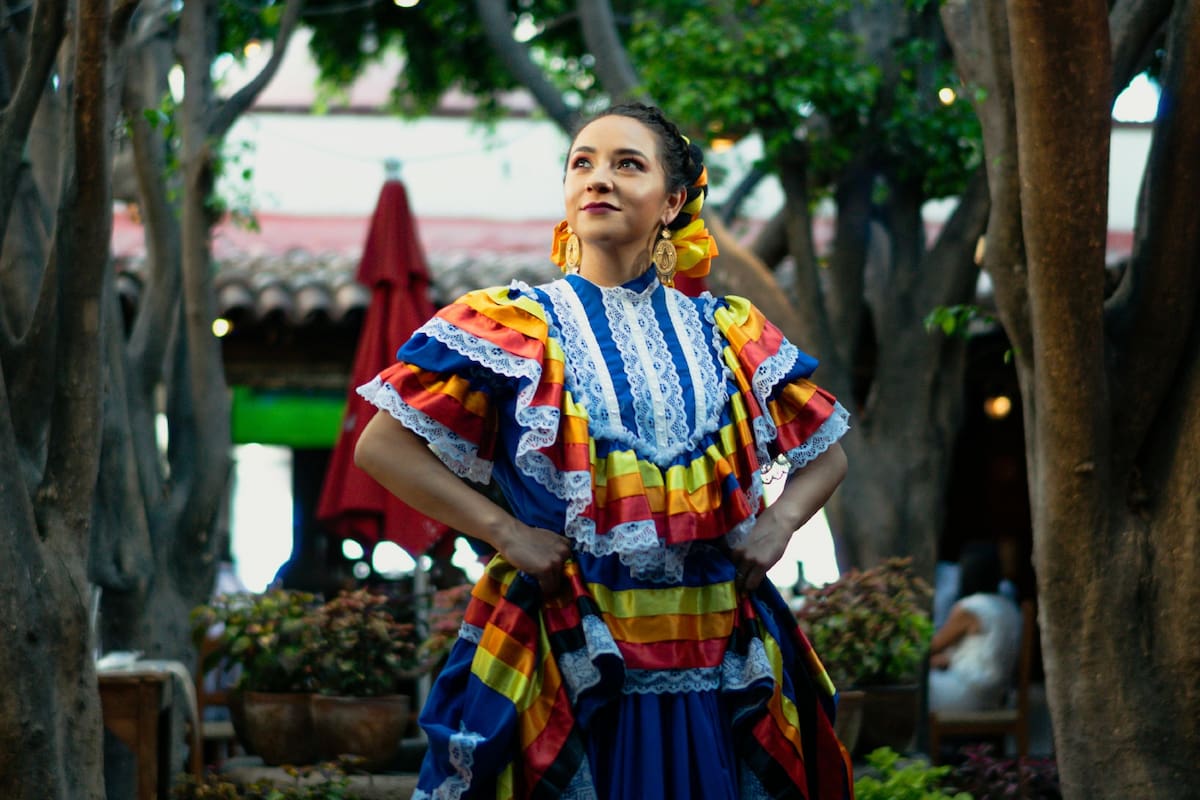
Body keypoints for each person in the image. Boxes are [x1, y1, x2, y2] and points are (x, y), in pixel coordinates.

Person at [355, 102, 854, 799]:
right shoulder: (511, 326)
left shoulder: (730, 331)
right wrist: (506, 533)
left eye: (628, 164)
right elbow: (382, 447)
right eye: (582, 163)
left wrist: (778, 524)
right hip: (566, 650)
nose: (599, 179)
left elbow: (827, 451)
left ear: (672, 201)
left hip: (712, 650)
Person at [928, 543, 1023, 714]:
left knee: (911, 687)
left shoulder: (970, 608)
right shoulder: (1009, 606)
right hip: (994, 695)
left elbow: (931, 647)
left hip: (969, 694)